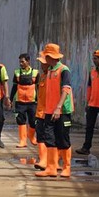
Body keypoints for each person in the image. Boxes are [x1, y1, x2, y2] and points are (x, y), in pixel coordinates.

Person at [35, 43, 74, 177]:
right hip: (49, 110)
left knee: (63, 139)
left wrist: (58, 107)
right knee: (49, 138)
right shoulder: (49, 71)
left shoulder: (64, 70)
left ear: (51, 56)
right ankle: (51, 168)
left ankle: (66, 167)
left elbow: (66, 89)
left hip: (62, 111)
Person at [10, 53, 39, 148]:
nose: (21, 63)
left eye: (22, 61)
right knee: (20, 121)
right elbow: (14, 87)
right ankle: (23, 141)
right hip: (20, 101)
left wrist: (40, 100)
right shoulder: (17, 72)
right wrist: (10, 99)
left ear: (28, 61)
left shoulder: (35, 72)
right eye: (20, 62)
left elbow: (39, 88)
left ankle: (31, 136)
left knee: (33, 121)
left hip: (32, 102)